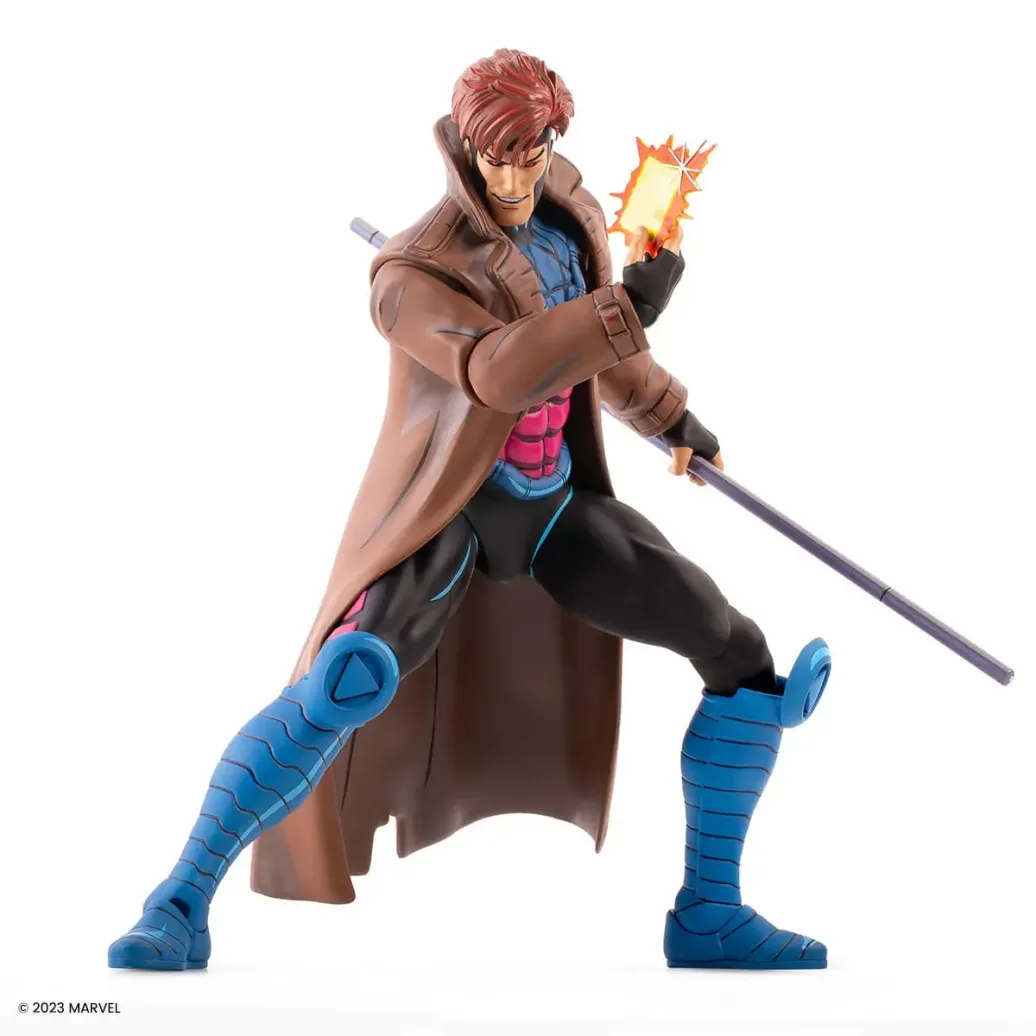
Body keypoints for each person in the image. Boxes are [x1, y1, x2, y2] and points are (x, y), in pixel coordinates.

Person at [109, 47, 831, 973]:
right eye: (499, 159)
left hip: (554, 502)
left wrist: (668, 413)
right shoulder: (411, 272)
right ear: (465, 147)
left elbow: (597, 353)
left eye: (535, 155)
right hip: (450, 509)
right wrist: (624, 311)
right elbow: (496, 372)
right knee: (348, 678)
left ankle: (711, 913)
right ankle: (178, 901)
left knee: (738, 653)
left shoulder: (569, 218)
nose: (518, 180)